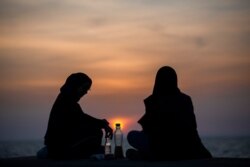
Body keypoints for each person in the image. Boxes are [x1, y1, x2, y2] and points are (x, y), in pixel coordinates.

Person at [126, 66, 212, 160]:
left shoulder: (154, 100)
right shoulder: (186, 99)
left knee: (131, 136)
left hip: (160, 148)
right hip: (184, 147)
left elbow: (150, 130)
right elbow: (192, 129)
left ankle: (147, 155)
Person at [37, 72, 113, 159]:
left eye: (87, 89)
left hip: (56, 146)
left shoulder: (65, 99)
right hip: (58, 148)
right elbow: (82, 119)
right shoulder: (66, 101)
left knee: (97, 138)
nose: (85, 92)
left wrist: (101, 123)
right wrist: (102, 124)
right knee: (96, 133)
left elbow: (80, 120)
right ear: (75, 86)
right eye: (84, 88)